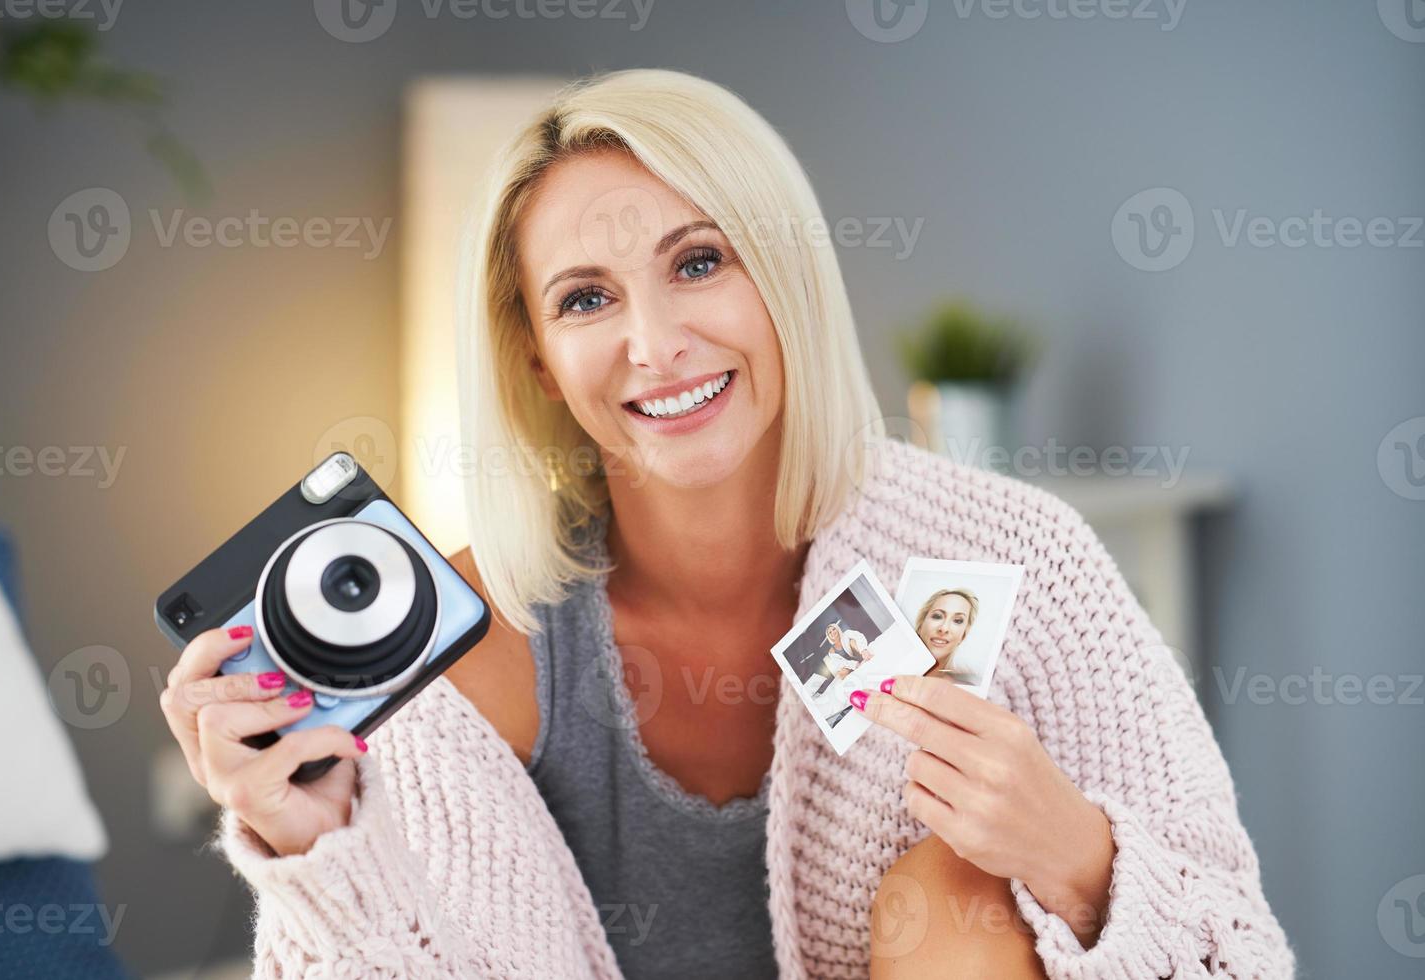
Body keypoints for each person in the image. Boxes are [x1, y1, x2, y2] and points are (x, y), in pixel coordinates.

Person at [157, 68, 1294, 978]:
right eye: (586, 297)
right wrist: (314, 847)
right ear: (541, 365)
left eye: (698, 262)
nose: (655, 343)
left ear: (783, 280)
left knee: (945, 900)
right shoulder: (461, 656)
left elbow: (1238, 951)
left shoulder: (1014, 556)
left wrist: (1077, 856)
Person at [914, 587, 978, 681]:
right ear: (920, 625)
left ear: (963, 635)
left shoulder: (968, 683)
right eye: (937, 616)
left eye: (957, 621)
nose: (944, 629)